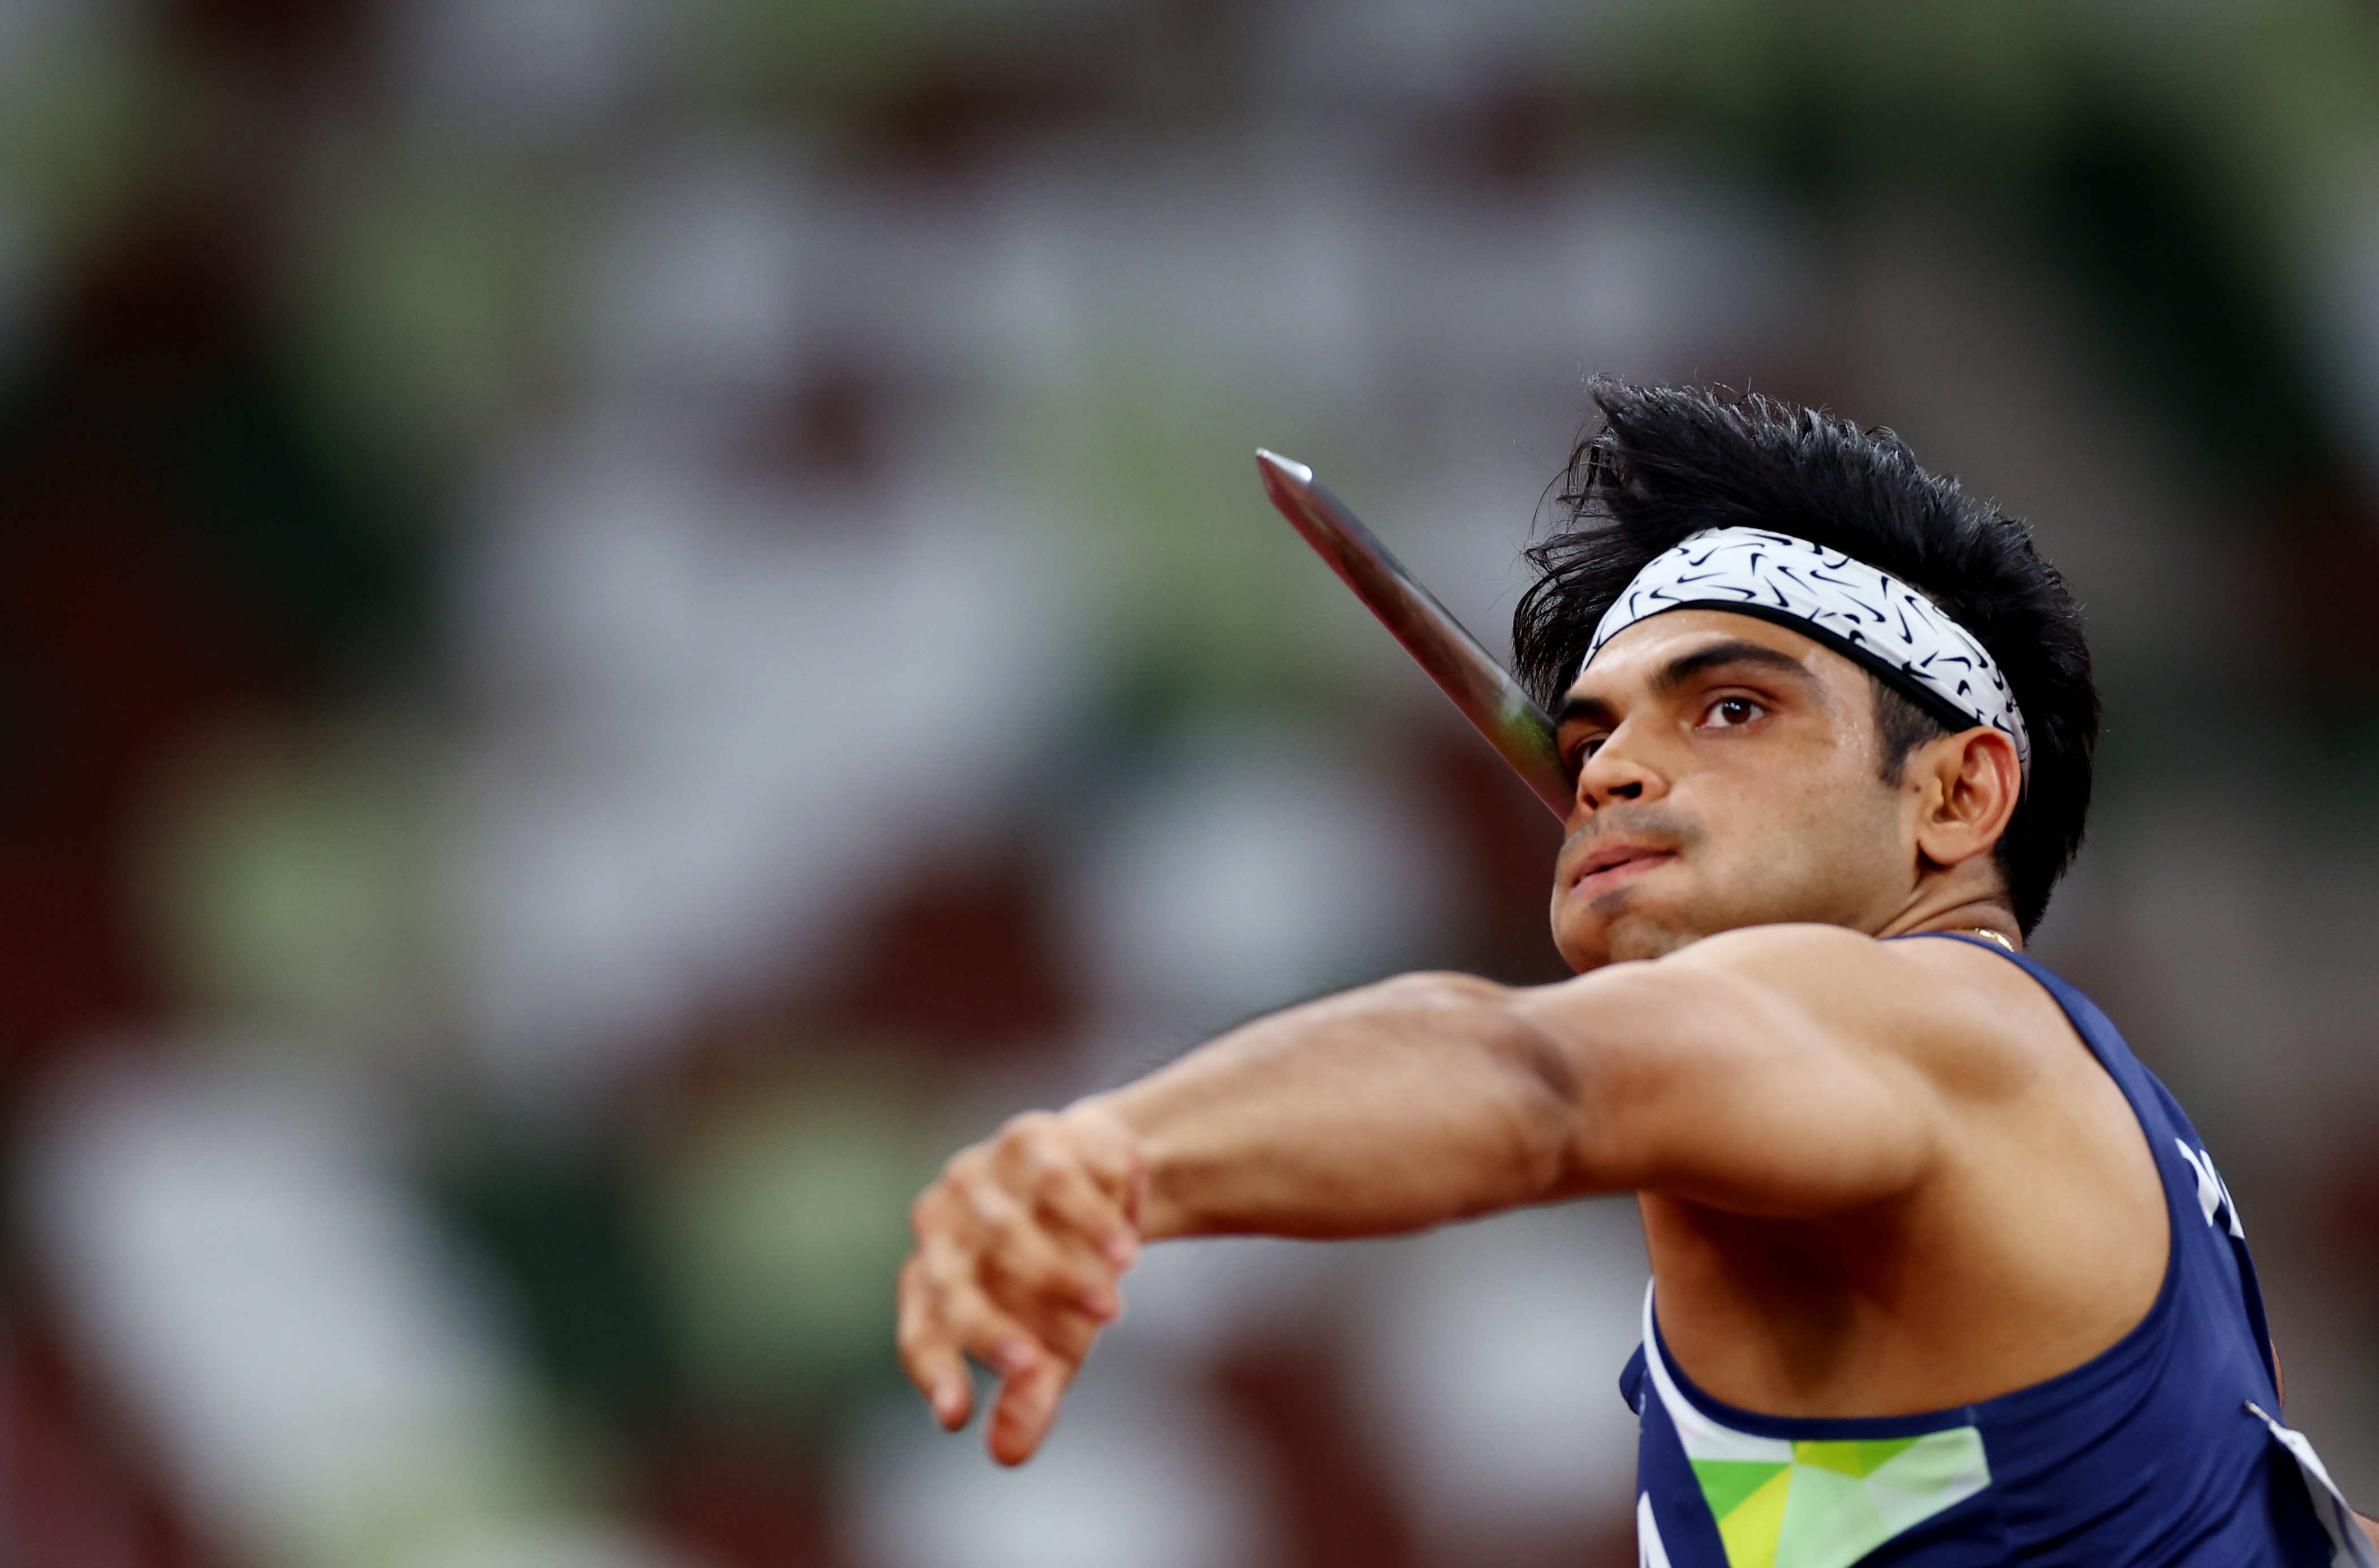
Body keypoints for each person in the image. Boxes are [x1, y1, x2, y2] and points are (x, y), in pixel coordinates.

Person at [895, 382, 2378, 1566]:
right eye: (1595, 736)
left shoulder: (1930, 1023)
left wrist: (1123, 1150)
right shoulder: (2106, 1139)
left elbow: (1527, 1080)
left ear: (1956, 799)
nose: (1615, 773)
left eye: (1731, 709)